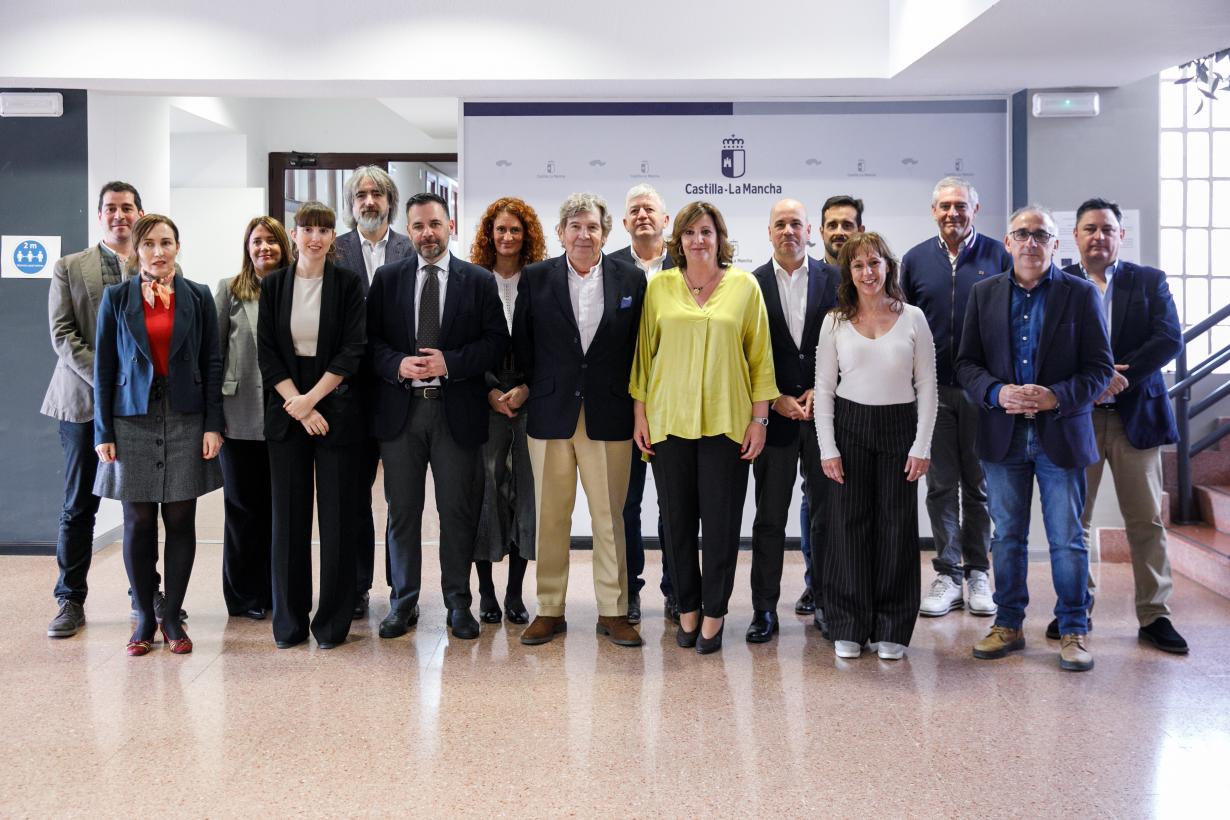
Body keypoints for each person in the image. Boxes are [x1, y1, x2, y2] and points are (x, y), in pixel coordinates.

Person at [957, 205, 1113, 672]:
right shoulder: (983, 295)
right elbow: (965, 364)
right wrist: (996, 391)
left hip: (1059, 435)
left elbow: (1100, 369)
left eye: (1040, 235)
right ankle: (1008, 623)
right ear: (1007, 243)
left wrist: (1055, 398)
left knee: (1067, 540)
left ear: (1055, 244)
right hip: (1003, 437)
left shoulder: (1081, 296)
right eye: (1021, 234)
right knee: (1006, 538)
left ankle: (1072, 630)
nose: (1030, 243)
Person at [630, 200, 777, 655]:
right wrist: (641, 415)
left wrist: (759, 420)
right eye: (690, 232)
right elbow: (643, 357)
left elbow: (760, 360)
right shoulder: (661, 287)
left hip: (727, 424)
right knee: (675, 524)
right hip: (669, 423)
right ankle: (687, 609)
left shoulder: (745, 287)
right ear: (679, 239)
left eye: (707, 232)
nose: (698, 240)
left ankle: (714, 614)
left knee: (720, 526)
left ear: (720, 238)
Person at [368, 192, 508, 641]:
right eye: (417, 226)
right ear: (407, 231)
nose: (426, 233)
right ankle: (402, 603)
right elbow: (368, 344)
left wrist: (452, 362)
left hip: (456, 416)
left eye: (434, 224)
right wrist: (395, 365)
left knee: (458, 512)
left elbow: (495, 343)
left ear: (450, 226)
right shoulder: (388, 280)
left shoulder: (478, 280)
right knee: (402, 514)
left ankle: (458, 603)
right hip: (401, 415)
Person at [513, 193, 646, 648]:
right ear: (561, 233)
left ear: (605, 233)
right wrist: (536, 387)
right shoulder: (535, 277)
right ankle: (549, 609)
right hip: (551, 414)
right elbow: (522, 344)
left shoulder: (631, 278)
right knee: (551, 517)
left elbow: (637, 348)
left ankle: (613, 611)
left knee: (610, 518)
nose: (583, 234)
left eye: (591, 227)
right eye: (575, 226)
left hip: (610, 415)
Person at [93, 214, 224, 656]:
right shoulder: (115, 298)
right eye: (149, 243)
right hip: (132, 418)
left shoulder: (198, 296)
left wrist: (213, 424)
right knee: (139, 520)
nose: (158, 251)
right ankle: (145, 616)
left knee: (181, 518)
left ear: (177, 247)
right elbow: (104, 369)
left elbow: (212, 363)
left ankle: (173, 618)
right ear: (136, 250)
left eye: (166, 242)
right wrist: (103, 429)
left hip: (186, 417)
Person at [1063, 197, 1187, 654]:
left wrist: (1121, 379)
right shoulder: (1060, 283)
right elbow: (1048, 347)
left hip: (1138, 417)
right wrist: (1090, 383)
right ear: (1075, 236)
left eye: (1107, 229)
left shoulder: (1148, 281)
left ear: (1121, 236)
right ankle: (1076, 611)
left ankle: (1155, 615)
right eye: (1090, 229)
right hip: (1080, 419)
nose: (1099, 237)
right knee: (1074, 520)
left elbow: (1168, 337)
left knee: (1146, 520)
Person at [815, 232, 937, 660]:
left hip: (899, 428)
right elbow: (824, 389)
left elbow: (927, 387)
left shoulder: (913, 318)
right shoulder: (834, 321)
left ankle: (891, 627)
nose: (868, 273)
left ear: (888, 266)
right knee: (847, 527)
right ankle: (848, 624)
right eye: (858, 265)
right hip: (849, 427)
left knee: (895, 529)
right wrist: (827, 449)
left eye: (874, 263)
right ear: (848, 273)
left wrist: (921, 445)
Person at [900, 177, 1012, 618]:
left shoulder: (997, 257)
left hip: (982, 392)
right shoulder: (914, 260)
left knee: (979, 486)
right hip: (932, 392)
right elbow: (903, 323)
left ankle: (978, 572)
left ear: (975, 209)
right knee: (941, 485)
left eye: (960, 206)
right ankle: (947, 573)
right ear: (933, 211)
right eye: (945, 206)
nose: (953, 213)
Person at [257, 202, 367, 649]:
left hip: (334, 409)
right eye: (308, 229)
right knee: (288, 522)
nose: (315, 238)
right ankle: (288, 623)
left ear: (333, 237)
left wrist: (312, 401)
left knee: (338, 521)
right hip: (287, 411)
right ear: (294, 234)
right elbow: (267, 351)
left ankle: (332, 624)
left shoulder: (347, 283)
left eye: (324, 231)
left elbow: (351, 350)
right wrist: (297, 405)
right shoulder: (275, 284)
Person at [43, 182, 142, 638]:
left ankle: (145, 594)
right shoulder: (69, 267)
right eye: (111, 209)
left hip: (140, 408)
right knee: (79, 504)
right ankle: (69, 599)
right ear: (100, 216)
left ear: (139, 213)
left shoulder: (153, 263)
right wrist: (107, 383)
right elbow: (63, 335)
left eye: (127, 208)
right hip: (83, 403)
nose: (119, 215)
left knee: (142, 505)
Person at [747, 198, 837, 643]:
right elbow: (743, 356)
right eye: (780, 224)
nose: (788, 231)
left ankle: (823, 599)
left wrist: (823, 393)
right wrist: (773, 398)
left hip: (824, 418)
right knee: (769, 517)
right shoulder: (750, 285)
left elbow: (850, 344)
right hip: (776, 418)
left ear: (810, 232)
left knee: (824, 515)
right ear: (768, 233)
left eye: (796, 224)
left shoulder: (836, 280)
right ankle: (764, 609)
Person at [334, 166, 412, 620]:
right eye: (361, 194)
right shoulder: (336, 249)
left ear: (390, 201)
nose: (369, 201)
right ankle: (359, 586)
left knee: (400, 501)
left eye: (377, 194)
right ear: (352, 203)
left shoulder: (409, 246)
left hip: (400, 389)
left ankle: (402, 591)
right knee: (354, 496)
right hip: (348, 394)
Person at [468, 197, 547, 624]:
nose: (508, 237)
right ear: (489, 235)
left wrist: (527, 389)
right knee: (487, 494)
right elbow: (461, 341)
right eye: (500, 230)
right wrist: (489, 392)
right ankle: (485, 593)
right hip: (485, 399)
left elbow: (554, 343)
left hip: (530, 400)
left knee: (526, 497)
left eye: (516, 230)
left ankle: (515, 594)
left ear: (527, 235)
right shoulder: (472, 279)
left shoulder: (542, 280)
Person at [214, 216, 292, 620]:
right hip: (238, 414)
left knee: (280, 509)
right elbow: (214, 356)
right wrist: (212, 419)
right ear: (247, 247)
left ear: (283, 246)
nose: (264, 248)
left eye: (271, 242)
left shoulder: (296, 288)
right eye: (256, 241)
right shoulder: (229, 290)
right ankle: (245, 596)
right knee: (244, 509)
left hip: (285, 416)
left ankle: (279, 591)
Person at [608, 184, 677, 623]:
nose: (643, 215)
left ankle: (676, 590)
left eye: (650, 209)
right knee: (626, 503)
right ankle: (629, 590)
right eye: (635, 210)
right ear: (624, 222)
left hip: (676, 403)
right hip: (621, 403)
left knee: (673, 505)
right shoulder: (608, 265)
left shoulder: (690, 263)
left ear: (666, 220)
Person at [818, 195, 864, 268]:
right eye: (832, 225)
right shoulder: (808, 276)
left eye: (847, 225)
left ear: (860, 232)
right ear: (822, 232)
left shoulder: (871, 277)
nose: (839, 232)